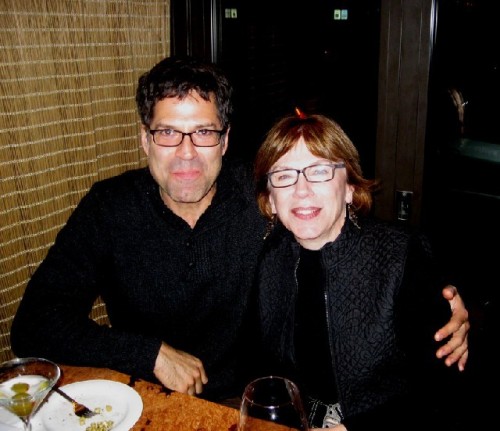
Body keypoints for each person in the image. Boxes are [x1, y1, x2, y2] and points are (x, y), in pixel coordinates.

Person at [10, 56, 468, 403]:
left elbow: (340, 227)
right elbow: (34, 324)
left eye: (203, 132)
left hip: (245, 403)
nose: (186, 152)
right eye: (167, 133)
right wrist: (149, 354)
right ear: (144, 139)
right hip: (147, 400)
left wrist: (431, 293)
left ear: (225, 139)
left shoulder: (261, 195)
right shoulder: (108, 208)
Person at [253, 112, 468, 430]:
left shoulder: (401, 258)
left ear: (350, 187)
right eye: (284, 175)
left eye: (320, 171)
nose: (302, 189)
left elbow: (442, 391)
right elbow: (260, 370)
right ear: (270, 199)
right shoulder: (269, 260)